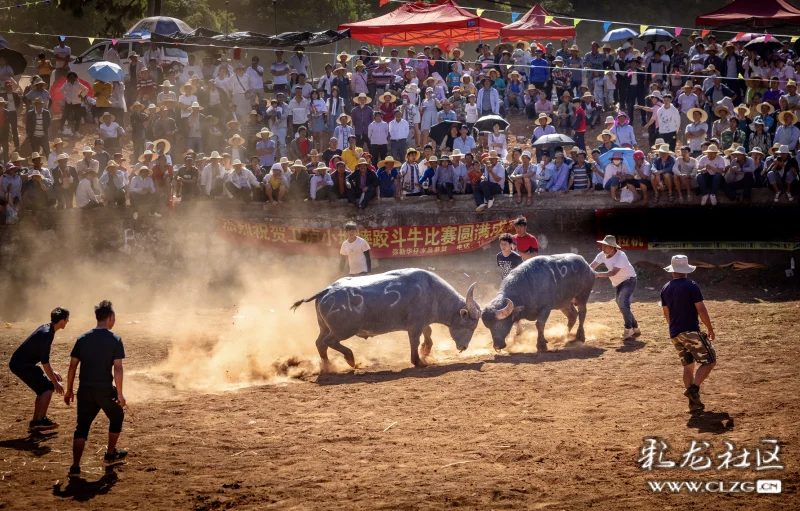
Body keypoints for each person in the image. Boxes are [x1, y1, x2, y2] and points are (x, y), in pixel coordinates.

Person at [64, 300, 128, 477]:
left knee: (81, 427)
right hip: (105, 390)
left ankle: (75, 467)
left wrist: (69, 390)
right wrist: (120, 394)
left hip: (84, 390)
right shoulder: (115, 339)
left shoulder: (83, 339)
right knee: (117, 415)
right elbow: (118, 368)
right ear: (110, 318)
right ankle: (110, 454)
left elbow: (72, 367)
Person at [660, 255, 717, 412]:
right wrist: (710, 328)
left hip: (674, 332)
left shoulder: (665, 288)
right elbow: (701, 309)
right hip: (690, 330)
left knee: (688, 366)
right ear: (686, 271)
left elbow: (666, 313)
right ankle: (693, 389)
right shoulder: (691, 285)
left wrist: (674, 329)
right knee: (710, 361)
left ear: (672, 271)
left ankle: (693, 404)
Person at [8, 307, 70, 432]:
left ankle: (35, 422)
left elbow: (44, 360)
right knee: (48, 388)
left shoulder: (47, 329)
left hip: (21, 364)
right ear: (62, 321)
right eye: (67, 319)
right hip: (22, 365)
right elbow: (45, 361)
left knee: (42, 390)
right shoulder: (48, 333)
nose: (68, 321)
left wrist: (53, 373)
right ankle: (41, 420)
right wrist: (55, 382)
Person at [591, 235, 639, 339]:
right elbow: (591, 266)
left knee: (622, 303)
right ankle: (635, 326)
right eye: (602, 245)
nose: (602, 248)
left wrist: (597, 274)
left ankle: (628, 329)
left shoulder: (621, 256)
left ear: (612, 247)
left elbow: (613, 273)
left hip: (629, 280)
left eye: (605, 246)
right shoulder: (602, 255)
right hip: (618, 283)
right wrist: (585, 271)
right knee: (622, 305)